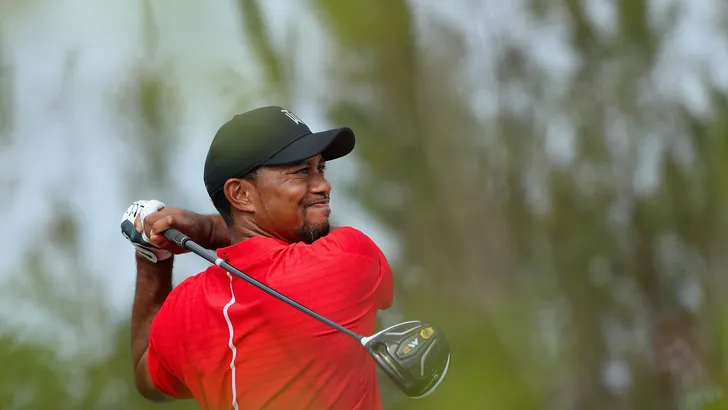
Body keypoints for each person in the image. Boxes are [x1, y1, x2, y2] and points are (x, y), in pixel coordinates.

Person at [119, 106, 394, 410]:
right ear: (241, 195)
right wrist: (206, 228)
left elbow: (146, 375)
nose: (323, 185)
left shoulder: (185, 309)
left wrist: (152, 256)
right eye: (302, 172)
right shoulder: (350, 257)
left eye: (320, 169)